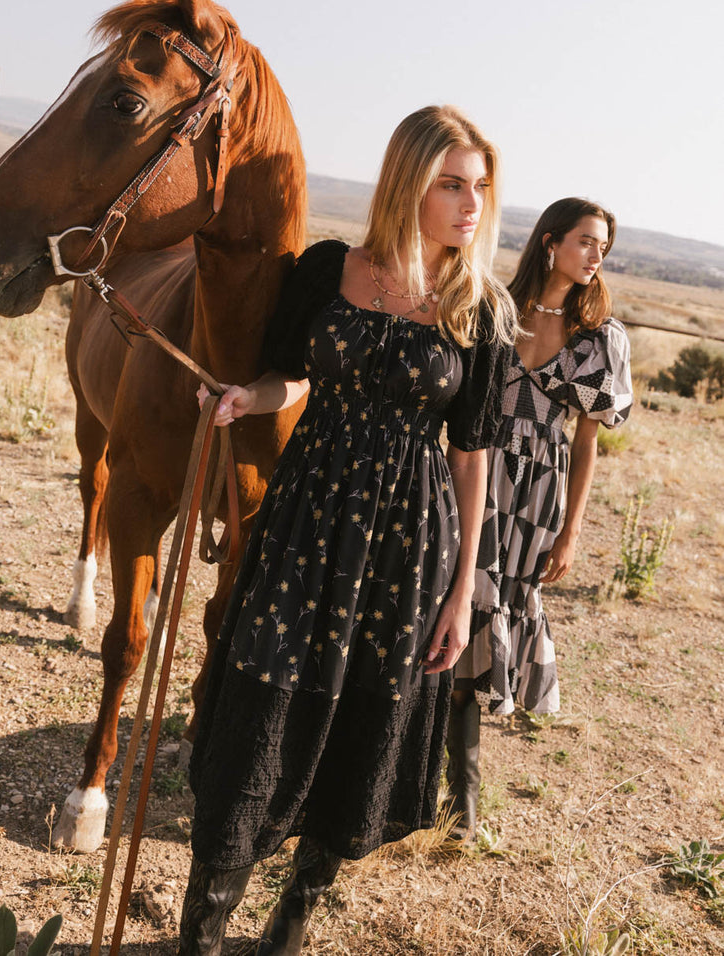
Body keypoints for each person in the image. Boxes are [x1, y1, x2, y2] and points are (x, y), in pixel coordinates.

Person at [178, 105, 517, 955]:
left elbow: (472, 457)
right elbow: (289, 379)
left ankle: (294, 913)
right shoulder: (329, 269)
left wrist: (462, 587)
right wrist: (242, 398)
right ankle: (204, 928)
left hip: (410, 543)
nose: (470, 204)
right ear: (407, 183)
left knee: (367, 718)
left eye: (479, 187)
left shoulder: (482, 311)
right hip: (306, 519)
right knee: (260, 699)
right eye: (450, 185)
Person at [446, 197, 633, 839]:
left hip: (537, 496)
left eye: (603, 245)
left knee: (489, 618)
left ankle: (461, 806)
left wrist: (572, 530)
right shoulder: (493, 309)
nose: (596, 255)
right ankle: (437, 785)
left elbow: (587, 442)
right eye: (586, 240)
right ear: (550, 242)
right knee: (453, 608)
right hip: (472, 478)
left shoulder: (600, 337)